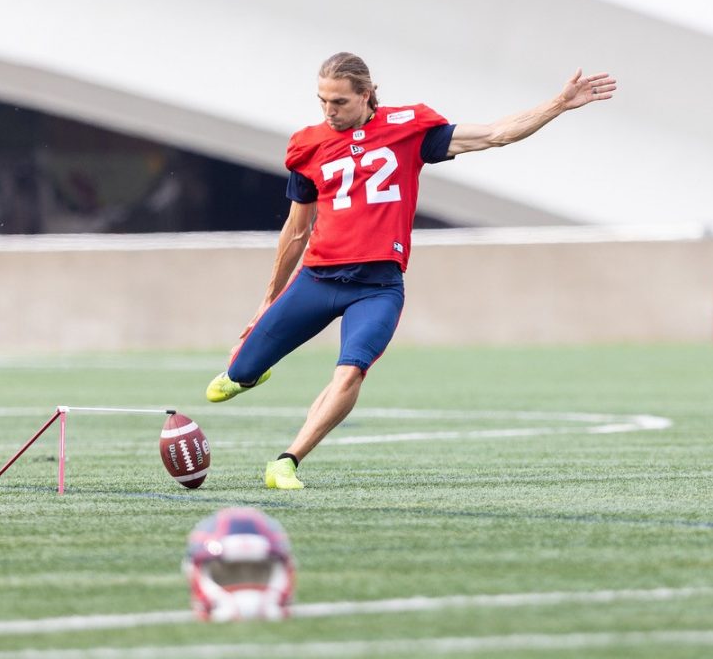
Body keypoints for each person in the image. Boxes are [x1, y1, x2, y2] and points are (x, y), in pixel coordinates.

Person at [206, 52, 616, 489]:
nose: (329, 111)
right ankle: (250, 372)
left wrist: (558, 103)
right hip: (318, 278)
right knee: (235, 376)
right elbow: (296, 228)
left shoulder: (407, 128)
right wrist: (270, 298)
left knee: (351, 370)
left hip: (376, 287)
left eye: (340, 102)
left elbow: (494, 134)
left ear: (366, 95)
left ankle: (287, 460)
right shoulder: (307, 144)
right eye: (322, 100)